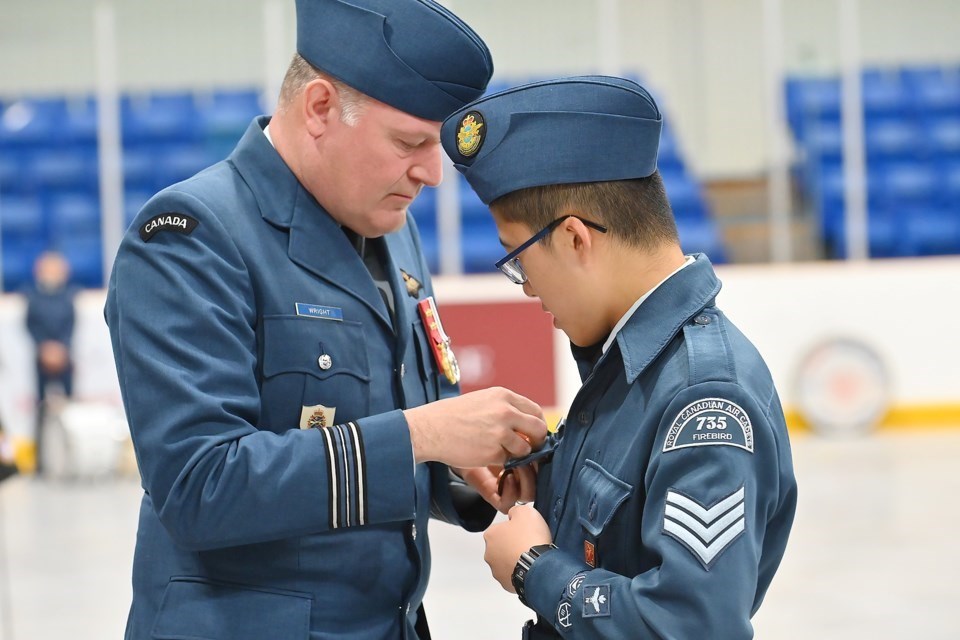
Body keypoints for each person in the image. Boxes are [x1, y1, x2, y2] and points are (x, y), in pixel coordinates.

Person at [104, 1, 545, 638]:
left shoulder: (393, 230)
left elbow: (395, 416)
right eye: (409, 143)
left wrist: (461, 472)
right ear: (318, 109)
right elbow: (199, 487)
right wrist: (420, 436)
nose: (431, 174)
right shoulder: (190, 237)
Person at [440, 77, 798, 639]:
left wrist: (537, 569)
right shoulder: (629, 368)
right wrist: (540, 477)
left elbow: (692, 624)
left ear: (576, 239)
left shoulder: (703, 397)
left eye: (518, 261)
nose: (527, 288)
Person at [25, 250, 76, 476]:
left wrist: (61, 349)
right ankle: (39, 463)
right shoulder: (32, 296)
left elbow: (71, 325)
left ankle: (72, 458)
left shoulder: (68, 296)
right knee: (40, 410)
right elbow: (30, 325)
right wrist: (43, 348)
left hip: (64, 359)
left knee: (70, 409)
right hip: (40, 359)